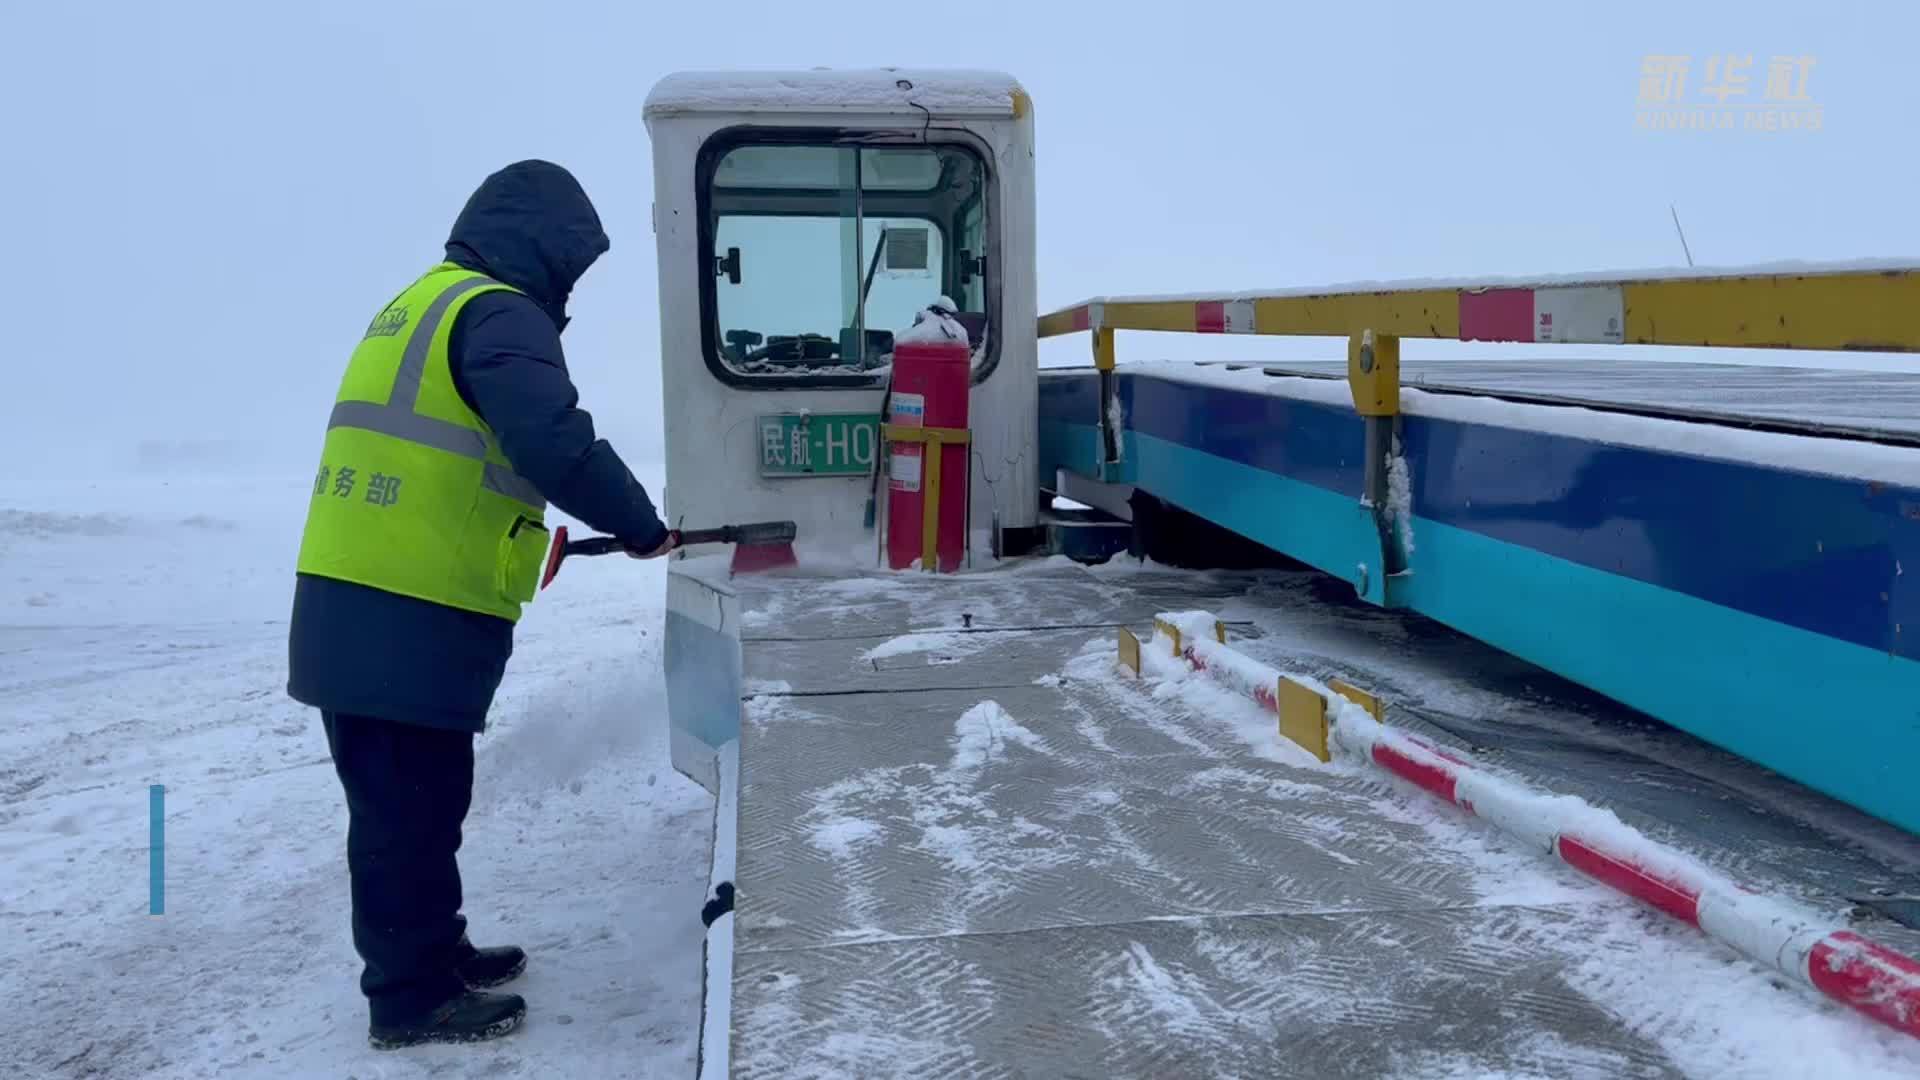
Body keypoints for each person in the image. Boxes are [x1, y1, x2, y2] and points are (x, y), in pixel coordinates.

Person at [288, 160, 674, 1050]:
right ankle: (409, 997)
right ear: (539, 246)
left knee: (421, 798)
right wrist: (641, 525)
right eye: (569, 266)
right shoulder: (498, 311)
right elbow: (549, 437)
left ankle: (436, 950)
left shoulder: (425, 300)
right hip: (398, 607)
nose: (570, 287)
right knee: (401, 812)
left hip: (375, 603)